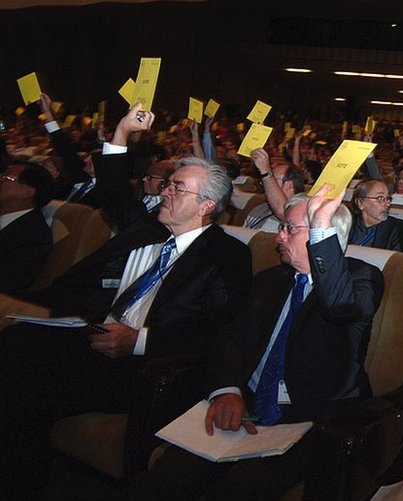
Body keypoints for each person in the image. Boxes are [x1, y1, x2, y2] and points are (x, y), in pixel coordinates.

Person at [0, 105, 253, 498]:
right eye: (167, 184)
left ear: (206, 206)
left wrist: (138, 340)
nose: (165, 191)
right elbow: (114, 189)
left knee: (25, 386)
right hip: (89, 338)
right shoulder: (148, 228)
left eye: (177, 188)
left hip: (143, 366)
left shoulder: (227, 256)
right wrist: (121, 132)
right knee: (15, 344)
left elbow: (216, 329)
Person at [128, 189, 384, 501]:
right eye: (281, 227)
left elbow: (339, 308)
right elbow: (232, 338)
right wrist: (227, 391)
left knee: (238, 489)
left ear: (324, 234)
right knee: (168, 475)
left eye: (290, 228)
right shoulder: (270, 280)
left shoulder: (362, 279)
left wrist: (320, 228)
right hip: (247, 407)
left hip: (311, 421)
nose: (279, 237)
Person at [0, 161, 55, 298]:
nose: (1, 180)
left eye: (7, 178)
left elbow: (8, 284)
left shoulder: (33, 237)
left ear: (27, 192)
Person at [244, 148, 304, 232]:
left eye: (273, 180)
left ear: (288, 186)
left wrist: (266, 172)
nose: (265, 183)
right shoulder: (259, 208)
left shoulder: (300, 215)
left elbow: (284, 212)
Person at [350, 179, 403, 252]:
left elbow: (397, 261)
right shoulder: (346, 223)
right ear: (360, 203)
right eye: (380, 198)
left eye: (388, 199)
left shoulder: (399, 228)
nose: (387, 204)